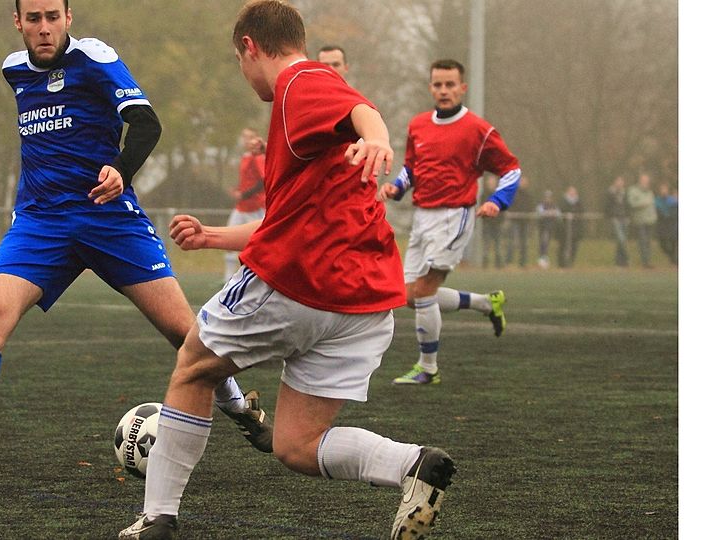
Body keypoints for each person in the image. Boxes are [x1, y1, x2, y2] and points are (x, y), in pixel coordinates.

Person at [0, 0, 273, 484]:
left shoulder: (94, 57)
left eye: (53, 17)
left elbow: (146, 123)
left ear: (68, 18)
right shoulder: (14, 70)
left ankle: (243, 411)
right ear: (18, 23)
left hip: (109, 219)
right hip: (40, 223)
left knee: (186, 335)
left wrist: (121, 169)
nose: (45, 28)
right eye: (34, 19)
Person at [119, 2, 456, 538]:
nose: (243, 70)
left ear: (251, 46)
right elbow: (289, 221)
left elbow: (360, 111)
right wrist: (213, 237)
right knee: (296, 444)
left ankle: (158, 517)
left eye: (239, 59)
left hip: (300, 285)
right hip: (364, 306)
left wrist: (379, 138)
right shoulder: (305, 124)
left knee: (192, 367)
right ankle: (413, 465)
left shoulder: (300, 82)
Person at [377, 58, 518, 385]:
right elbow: (412, 167)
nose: (444, 90)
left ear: (462, 88)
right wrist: (396, 187)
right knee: (410, 295)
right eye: (438, 84)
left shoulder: (479, 130)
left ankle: (428, 369)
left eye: (450, 85)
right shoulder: (418, 125)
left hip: (456, 215)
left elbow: (511, 169)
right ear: (431, 87)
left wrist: (497, 201)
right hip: (423, 216)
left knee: (425, 289)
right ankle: (486, 303)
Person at [223, 128, 266, 283]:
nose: (246, 140)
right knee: (227, 238)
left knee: (260, 242)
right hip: (241, 207)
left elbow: (264, 181)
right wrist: (237, 191)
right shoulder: (245, 157)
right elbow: (246, 180)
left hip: (255, 207)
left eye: (249, 137)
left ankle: (260, 276)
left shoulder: (258, 157)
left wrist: (244, 194)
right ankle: (227, 278)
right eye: (244, 137)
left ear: (256, 140)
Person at [627, 173, 657, 268]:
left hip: (650, 220)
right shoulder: (633, 190)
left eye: (647, 180)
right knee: (643, 241)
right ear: (640, 180)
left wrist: (654, 216)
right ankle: (645, 262)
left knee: (648, 241)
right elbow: (631, 203)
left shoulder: (649, 191)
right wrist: (643, 204)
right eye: (644, 180)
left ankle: (648, 261)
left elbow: (652, 205)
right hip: (640, 220)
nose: (646, 182)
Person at [504, 176, 533, 267]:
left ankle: (522, 262)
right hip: (515, 221)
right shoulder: (514, 194)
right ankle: (509, 262)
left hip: (525, 222)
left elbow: (531, 207)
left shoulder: (529, 195)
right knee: (512, 241)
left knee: (524, 243)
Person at [604, 176, 630, 267]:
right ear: (615, 182)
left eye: (621, 181)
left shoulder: (625, 193)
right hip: (615, 219)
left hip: (624, 219)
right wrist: (610, 216)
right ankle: (626, 259)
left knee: (621, 241)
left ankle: (619, 261)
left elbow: (627, 205)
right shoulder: (610, 193)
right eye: (618, 181)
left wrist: (628, 216)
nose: (620, 183)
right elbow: (606, 206)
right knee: (621, 239)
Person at [557, 185, 584, 268]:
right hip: (564, 228)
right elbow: (560, 212)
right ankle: (561, 263)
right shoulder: (563, 201)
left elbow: (581, 212)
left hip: (575, 228)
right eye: (571, 191)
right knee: (563, 246)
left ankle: (571, 262)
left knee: (574, 246)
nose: (572, 193)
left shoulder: (579, 202)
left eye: (574, 191)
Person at [481, 176, 504, 268]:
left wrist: (502, 220)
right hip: (487, 223)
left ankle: (498, 262)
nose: (491, 183)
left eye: (493, 181)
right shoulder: (484, 195)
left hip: (497, 223)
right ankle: (485, 262)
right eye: (490, 182)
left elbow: (502, 208)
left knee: (498, 244)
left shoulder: (499, 194)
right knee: (486, 243)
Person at [535, 189, 561, 269]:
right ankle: (542, 259)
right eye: (546, 197)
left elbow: (558, 213)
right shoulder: (541, 205)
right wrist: (550, 213)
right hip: (543, 227)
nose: (548, 199)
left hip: (552, 227)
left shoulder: (554, 205)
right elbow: (540, 212)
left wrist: (550, 213)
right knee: (543, 243)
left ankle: (545, 259)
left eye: (549, 197)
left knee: (548, 243)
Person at [654, 182, 678, 265]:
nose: (664, 191)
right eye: (662, 189)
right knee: (662, 243)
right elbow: (656, 211)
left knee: (673, 241)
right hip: (661, 224)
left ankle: (674, 259)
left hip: (671, 223)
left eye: (665, 189)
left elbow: (675, 211)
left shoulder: (672, 200)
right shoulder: (656, 201)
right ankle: (671, 256)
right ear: (660, 191)